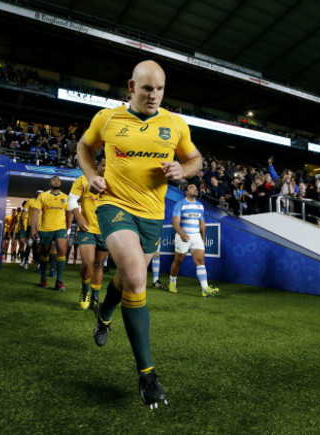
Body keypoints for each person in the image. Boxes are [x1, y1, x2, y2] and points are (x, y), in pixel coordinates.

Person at [76, 60, 202, 408]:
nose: (154, 95)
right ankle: (147, 375)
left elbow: (195, 159)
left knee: (128, 280)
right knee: (134, 275)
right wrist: (90, 176)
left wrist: (182, 168)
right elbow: (84, 148)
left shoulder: (175, 124)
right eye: (147, 89)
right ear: (132, 87)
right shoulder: (108, 119)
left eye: (160, 89)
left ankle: (103, 315)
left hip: (152, 216)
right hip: (113, 205)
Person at [68, 157, 110, 310]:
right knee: (87, 262)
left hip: (106, 231)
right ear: (97, 165)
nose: (106, 168)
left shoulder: (115, 183)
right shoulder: (84, 179)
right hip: (87, 228)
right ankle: (85, 291)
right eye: (104, 165)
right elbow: (72, 199)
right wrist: (78, 218)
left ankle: (95, 297)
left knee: (99, 264)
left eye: (109, 166)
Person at [168, 183, 219, 297]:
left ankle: (205, 289)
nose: (195, 189)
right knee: (178, 261)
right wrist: (181, 233)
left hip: (196, 236)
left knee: (200, 261)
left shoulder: (200, 206)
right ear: (186, 192)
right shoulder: (180, 205)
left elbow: (202, 223)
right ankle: (172, 282)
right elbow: (175, 222)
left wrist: (203, 237)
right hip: (183, 236)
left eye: (196, 188)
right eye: (192, 187)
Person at [30, 176, 72, 291]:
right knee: (44, 253)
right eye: (54, 180)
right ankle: (43, 279)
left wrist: (68, 229)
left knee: (62, 250)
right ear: (49, 183)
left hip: (61, 229)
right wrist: (33, 229)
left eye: (58, 180)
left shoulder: (65, 197)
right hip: (45, 229)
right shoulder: (42, 196)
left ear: (61, 183)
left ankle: (59, 281)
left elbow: (69, 213)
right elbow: (35, 212)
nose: (56, 181)